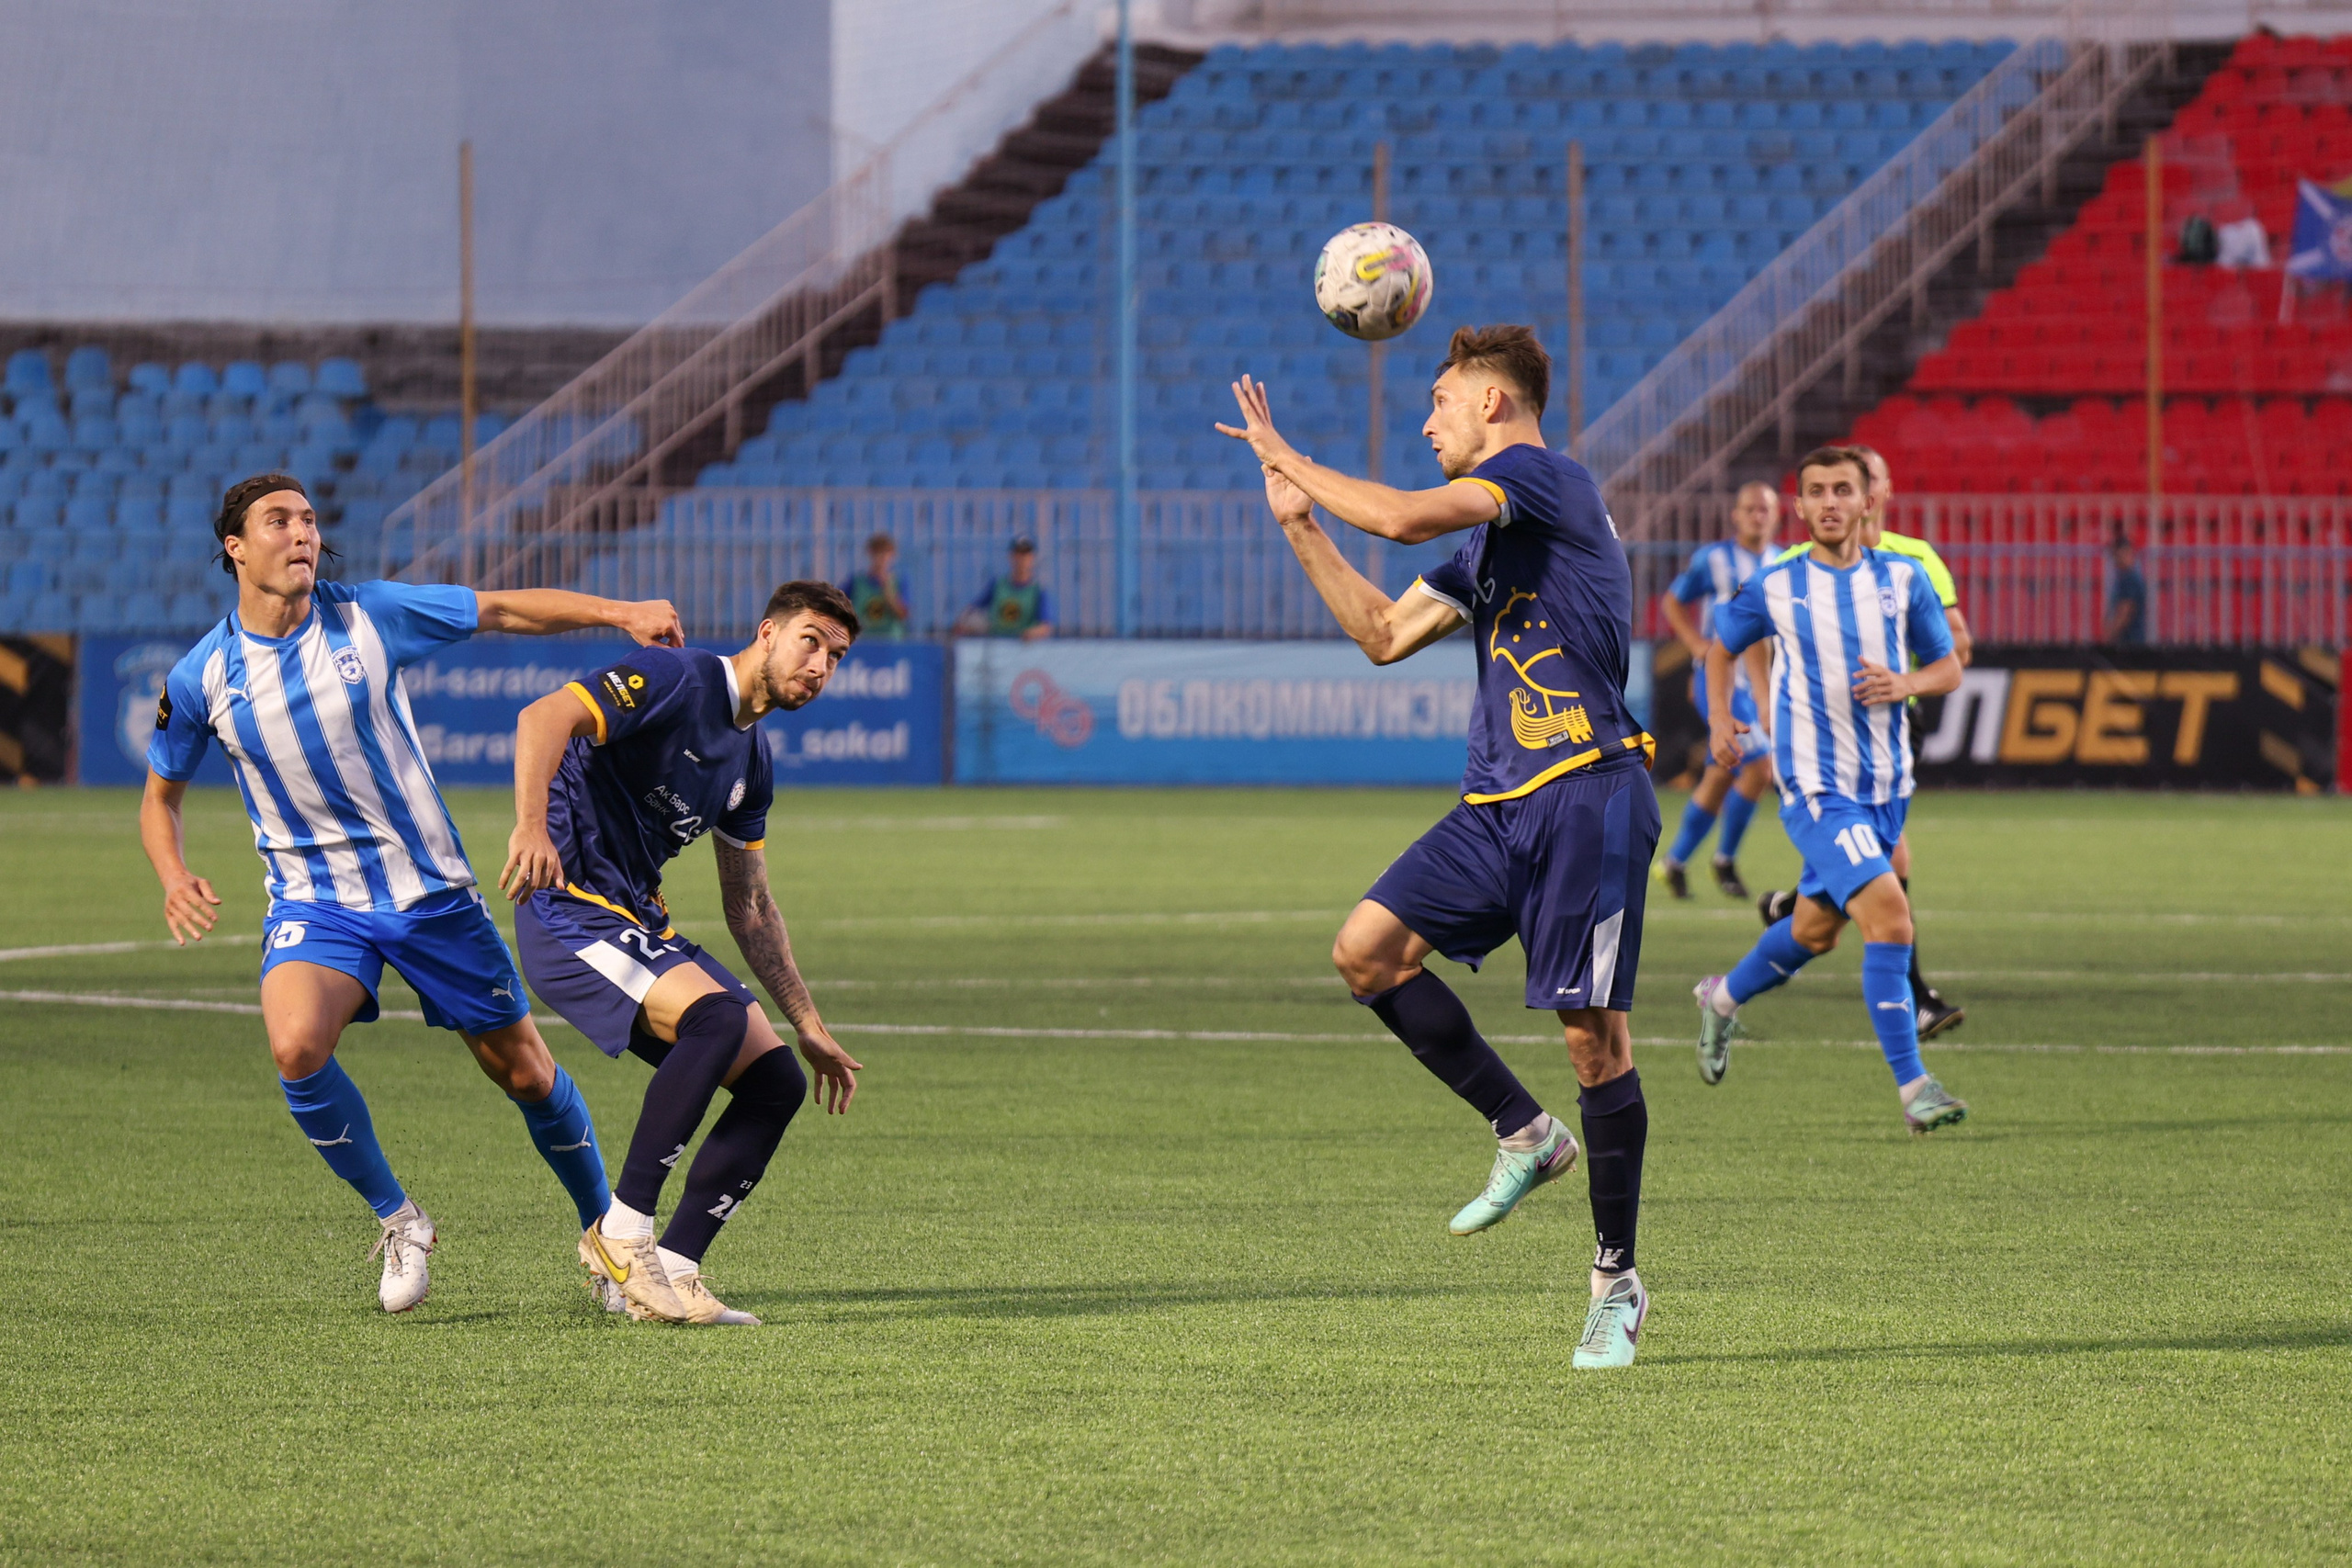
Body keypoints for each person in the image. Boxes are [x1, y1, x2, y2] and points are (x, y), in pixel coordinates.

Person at [1218, 324, 1662, 1369]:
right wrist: (1299, 527)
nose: (1425, 422)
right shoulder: (1493, 542)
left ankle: (1615, 1279)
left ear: (1494, 405)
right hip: (1498, 804)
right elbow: (1379, 634)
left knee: (1594, 1043)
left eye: (1439, 401)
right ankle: (1523, 1132)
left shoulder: (1540, 479)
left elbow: (1404, 520)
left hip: (1587, 794)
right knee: (1365, 953)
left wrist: (1295, 459)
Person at [138, 472, 681, 1314]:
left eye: (311, 520)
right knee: (295, 1047)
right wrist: (174, 876)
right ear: (236, 548)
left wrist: (621, 614)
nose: (302, 534)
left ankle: (613, 1249)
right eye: (278, 521)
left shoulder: (369, 615)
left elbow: (499, 609)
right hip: (315, 903)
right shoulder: (202, 675)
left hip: (429, 896)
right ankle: (400, 1218)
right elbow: (159, 795)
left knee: (529, 1076)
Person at [502, 581, 866, 1325]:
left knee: (776, 1082)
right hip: (568, 908)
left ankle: (674, 1269)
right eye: (810, 641)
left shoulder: (751, 764)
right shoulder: (680, 676)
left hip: (631, 918)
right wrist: (531, 827)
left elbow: (751, 905)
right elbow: (543, 715)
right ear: (767, 632)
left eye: (836, 655)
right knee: (717, 1021)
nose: (821, 664)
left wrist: (806, 1018)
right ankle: (622, 1231)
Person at [1692, 447, 1970, 1134]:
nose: (1829, 503)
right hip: (1816, 788)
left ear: (1866, 500)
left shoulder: (1904, 580)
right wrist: (1723, 718)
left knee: (1815, 932)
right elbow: (1719, 647)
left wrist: (1905, 683)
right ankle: (1915, 1089)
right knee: (1892, 917)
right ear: (1800, 506)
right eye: (1815, 491)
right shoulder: (1778, 583)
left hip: (1885, 790)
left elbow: (1949, 666)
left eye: (1842, 490)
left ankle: (1722, 999)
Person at [1755, 444, 1967, 1040]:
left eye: (1863, 480)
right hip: (1818, 735)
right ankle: (1917, 1000)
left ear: (1881, 491)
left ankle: (1796, 903)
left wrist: (1910, 675)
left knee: (1872, 862)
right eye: (1829, 487)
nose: (1843, 496)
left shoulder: (1914, 559)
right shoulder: (1800, 561)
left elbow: (1957, 648)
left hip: (1893, 725)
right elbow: (1752, 624)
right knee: (1890, 859)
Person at [1656, 480, 1779, 900]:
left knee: (1721, 772)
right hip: (1722, 679)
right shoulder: (1714, 559)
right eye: (1750, 508)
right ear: (1736, 515)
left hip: (1762, 679)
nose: (1757, 515)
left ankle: (1674, 863)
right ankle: (1724, 858)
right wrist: (1694, 645)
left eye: (1764, 508)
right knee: (1760, 765)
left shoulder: (1784, 561)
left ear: (1776, 515)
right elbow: (1673, 600)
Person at [955, 536, 1055, 639]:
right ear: (1011, 556)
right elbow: (973, 609)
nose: (1022, 559)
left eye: (1025, 554)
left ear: (1032, 558)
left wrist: (1032, 632)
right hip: (996, 645)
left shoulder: (1038, 590)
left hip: (1024, 649)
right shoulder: (998, 585)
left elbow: (1046, 626)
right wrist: (964, 624)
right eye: (1018, 554)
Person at [843, 532, 910, 640]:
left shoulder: (899, 582)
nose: (882, 558)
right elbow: (839, 606)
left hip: (890, 640)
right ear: (870, 554)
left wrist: (888, 591)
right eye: (877, 553)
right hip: (863, 640)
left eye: (886, 553)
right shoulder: (856, 582)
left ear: (893, 556)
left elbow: (903, 615)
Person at [2105, 535, 2148, 645]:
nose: (2115, 560)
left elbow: (2125, 611)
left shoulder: (2130, 578)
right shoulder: (2130, 577)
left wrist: (2109, 636)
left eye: (2116, 555)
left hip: (2130, 643)